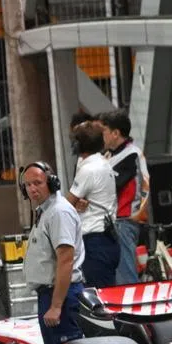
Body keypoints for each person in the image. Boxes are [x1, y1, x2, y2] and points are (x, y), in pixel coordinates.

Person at [21, 162, 85, 344]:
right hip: (51, 295)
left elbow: (65, 260)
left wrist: (56, 306)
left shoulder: (58, 212)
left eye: (37, 183)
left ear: (51, 182)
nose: (32, 189)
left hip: (61, 297)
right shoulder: (46, 211)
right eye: (28, 185)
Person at [66, 121, 118, 287]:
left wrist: (73, 205)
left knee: (98, 299)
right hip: (107, 239)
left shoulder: (88, 170)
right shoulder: (102, 163)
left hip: (94, 242)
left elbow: (66, 206)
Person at [99, 109, 148, 285]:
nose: (101, 136)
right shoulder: (109, 155)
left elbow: (114, 184)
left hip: (125, 220)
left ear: (115, 133)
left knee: (125, 275)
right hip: (114, 221)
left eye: (103, 131)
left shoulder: (130, 154)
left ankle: (133, 310)